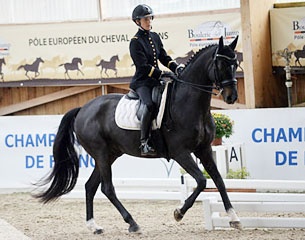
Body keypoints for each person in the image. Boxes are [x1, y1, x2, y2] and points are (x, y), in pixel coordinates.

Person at [129, 4, 184, 156]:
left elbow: (164, 57)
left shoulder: (155, 37)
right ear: (137, 22)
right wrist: (161, 75)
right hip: (142, 82)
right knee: (150, 104)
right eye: (145, 19)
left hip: (155, 81)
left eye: (150, 18)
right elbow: (143, 67)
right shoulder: (135, 42)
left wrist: (176, 68)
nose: (148, 21)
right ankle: (144, 142)